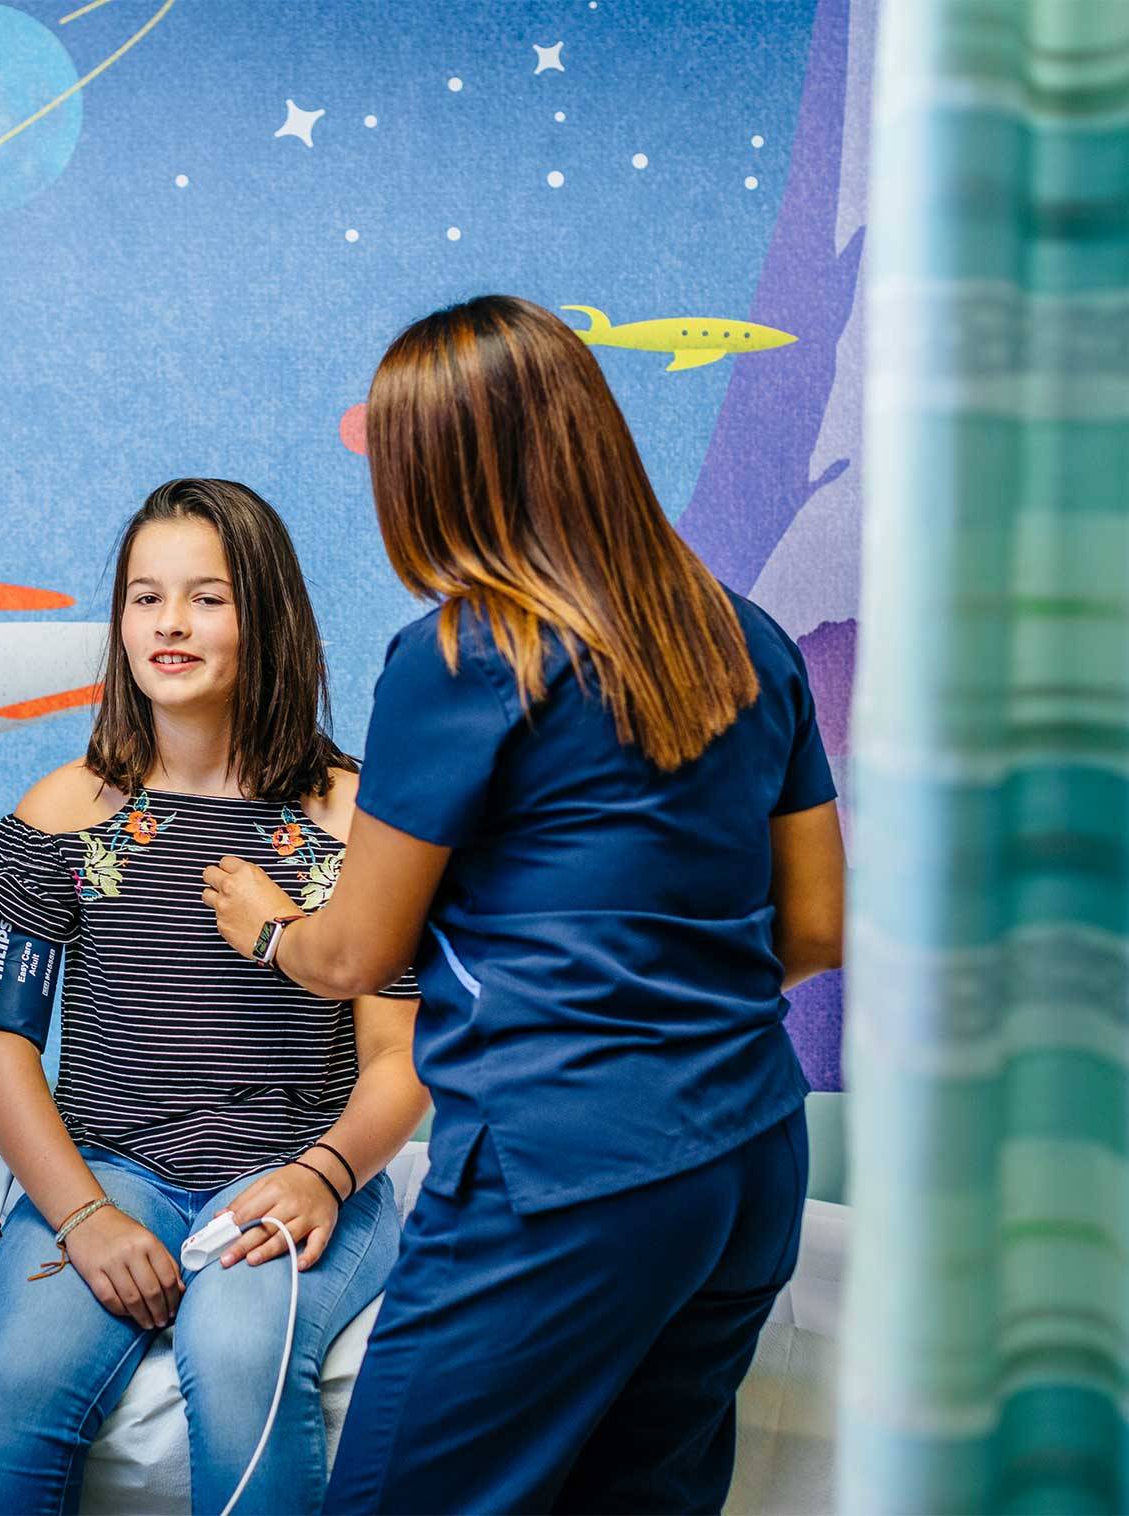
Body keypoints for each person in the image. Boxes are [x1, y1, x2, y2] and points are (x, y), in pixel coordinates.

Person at [201, 296, 845, 1514]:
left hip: (566, 1168)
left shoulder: (460, 657)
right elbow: (814, 929)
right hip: (751, 1156)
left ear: (439, 475)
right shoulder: (753, 646)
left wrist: (269, 925)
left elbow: (359, 953)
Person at [0, 477, 426, 1516]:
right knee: (20, 1387)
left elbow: (403, 1060)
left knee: (239, 1349)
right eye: (143, 595)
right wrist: (80, 1215)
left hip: (292, 1175)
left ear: (272, 616)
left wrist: (325, 1176)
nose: (169, 623)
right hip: (110, 1168)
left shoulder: (361, 823)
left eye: (208, 597)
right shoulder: (61, 812)